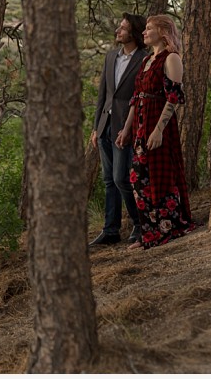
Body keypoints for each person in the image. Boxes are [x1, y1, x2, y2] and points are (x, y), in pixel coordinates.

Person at [115, 14, 196, 250]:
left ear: (163, 31)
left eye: (149, 28)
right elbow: (136, 97)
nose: (144, 32)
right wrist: (127, 129)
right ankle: (148, 232)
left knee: (161, 177)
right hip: (140, 123)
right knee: (139, 180)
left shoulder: (171, 58)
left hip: (158, 124)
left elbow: (173, 97)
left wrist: (159, 130)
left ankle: (167, 228)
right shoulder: (146, 61)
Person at [89, 13, 148, 246]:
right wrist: (96, 128)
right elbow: (103, 95)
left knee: (121, 178)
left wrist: (130, 127)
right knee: (108, 181)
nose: (117, 31)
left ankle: (139, 223)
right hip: (104, 126)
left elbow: (140, 97)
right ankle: (111, 230)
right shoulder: (111, 56)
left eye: (122, 28)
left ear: (133, 33)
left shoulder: (144, 59)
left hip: (126, 126)